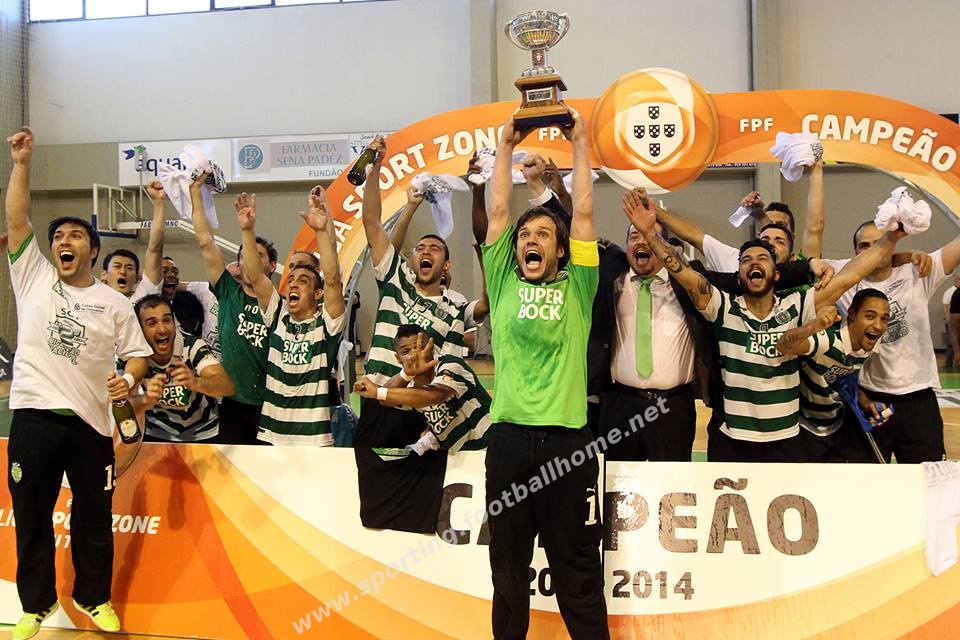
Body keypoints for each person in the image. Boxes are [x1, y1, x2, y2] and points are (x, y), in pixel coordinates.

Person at [623, 187, 906, 462]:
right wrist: (649, 233)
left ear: (777, 274)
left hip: (787, 439)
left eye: (762, 258)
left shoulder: (797, 304)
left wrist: (891, 239)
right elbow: (682, 272)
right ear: (739, 275)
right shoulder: (723, 306)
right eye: (746, 260)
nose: (754, 263)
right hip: (733, 441)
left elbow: (850, 276)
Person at [5, 126, 152, 637]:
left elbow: (138, 357)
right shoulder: (33, 277)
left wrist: (127, 380)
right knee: (31, 517)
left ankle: (94, 597)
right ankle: (36, 605)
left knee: (94, 515)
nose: (63, 243)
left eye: (74, 237)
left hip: (90, 425)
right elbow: (16, 219)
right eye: (58, 238)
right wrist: (21, 163)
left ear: (92, 250)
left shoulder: (115, 303)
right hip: (33, 417)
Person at [482, 112, 608, 640]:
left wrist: (579, 144)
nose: (531, 239)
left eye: (543, 234)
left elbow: (584, 213)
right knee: (508, 574)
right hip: (509, 443)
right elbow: (497, 211)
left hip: (567, 448)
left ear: (560, 250)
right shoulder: (502, 280)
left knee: (577, 574)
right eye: (525, 235)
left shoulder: (579, 285)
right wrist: (504, 148)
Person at [353, 135, 474, 533]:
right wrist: (383, 177)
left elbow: (448, 372)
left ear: (447, 266)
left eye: (435, 249)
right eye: (420, 247)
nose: (425, 251)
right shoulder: (395, 281)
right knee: (373, 506)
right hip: (377, 403)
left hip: (418, 413)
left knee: (418, 510)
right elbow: (372, 222)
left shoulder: (455, 307)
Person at [830, 220, 960, 462]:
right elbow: (811, 238)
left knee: (926, 477)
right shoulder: (844, 280)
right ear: (855, 252)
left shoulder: (918, 272)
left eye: (878, 242)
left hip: (918, 398)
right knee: (864, 478)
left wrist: (908, 256)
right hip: (868, 399)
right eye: (864, 245)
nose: (872, 250)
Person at [237, 186, 345, 445]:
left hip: (314, 440)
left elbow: (332, 280)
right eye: (292, 279)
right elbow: (255, 276)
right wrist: (247, 231)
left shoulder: (326, 325)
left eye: (304, 281)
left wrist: (321, 231)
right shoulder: (278, 316)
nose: (294, 284)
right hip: (272, 436)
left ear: (317, 294)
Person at [186, 173, 276, 444]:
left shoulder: (278, 303)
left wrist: (248, 230)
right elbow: (205, 241)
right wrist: (195, 192)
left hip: (271, 405)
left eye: (257, 256)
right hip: (232, 404)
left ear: (272, 265)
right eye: (244, 256)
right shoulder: (227, 292)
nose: (249, 261)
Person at [776, 289, 892, 462]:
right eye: (870, 316)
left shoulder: (872, 340)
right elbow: (783, 346)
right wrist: (813, 327)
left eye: (884, 318)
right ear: (852, 314)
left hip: (838, 426)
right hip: (805, 429)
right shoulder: (826, 340)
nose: (878, 325)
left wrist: (864, 401)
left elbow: (844, 376)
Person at [354, 324, 490, 454]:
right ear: (398, 358)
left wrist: (377, 391)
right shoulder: (410, 388)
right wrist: (406, 374)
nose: (414, 355)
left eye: (420, 348)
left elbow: (435, 395)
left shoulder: (450, 364)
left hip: (487, 446)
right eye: (405, 352)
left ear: (431, 347)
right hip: (458, 455)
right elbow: (386, 401)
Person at [130, 294, 234, 443]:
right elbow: (121, 407)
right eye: (152, 323)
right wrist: (146, 400)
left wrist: (196, 382)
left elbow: (227, 386)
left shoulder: (192, 346)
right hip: (156, 433)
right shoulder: (133, 355)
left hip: (204, 432)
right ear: (140, 329)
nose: (162, 329)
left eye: (167, 320)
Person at [99, 179, 166, 302]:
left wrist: (159, 201)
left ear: (136, 278)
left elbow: (155, 249)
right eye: (117, 266)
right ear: (104, 275)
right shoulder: (92, 302)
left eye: (129, 268)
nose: (123, 272)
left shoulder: (142, 298)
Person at [946, 275, 960, 367]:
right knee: (954, 339)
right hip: (954, 317)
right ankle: (957, 356)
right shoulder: (954, 292)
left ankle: (957, 356)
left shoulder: (955, 292)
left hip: (954, 316)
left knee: (954, 339)